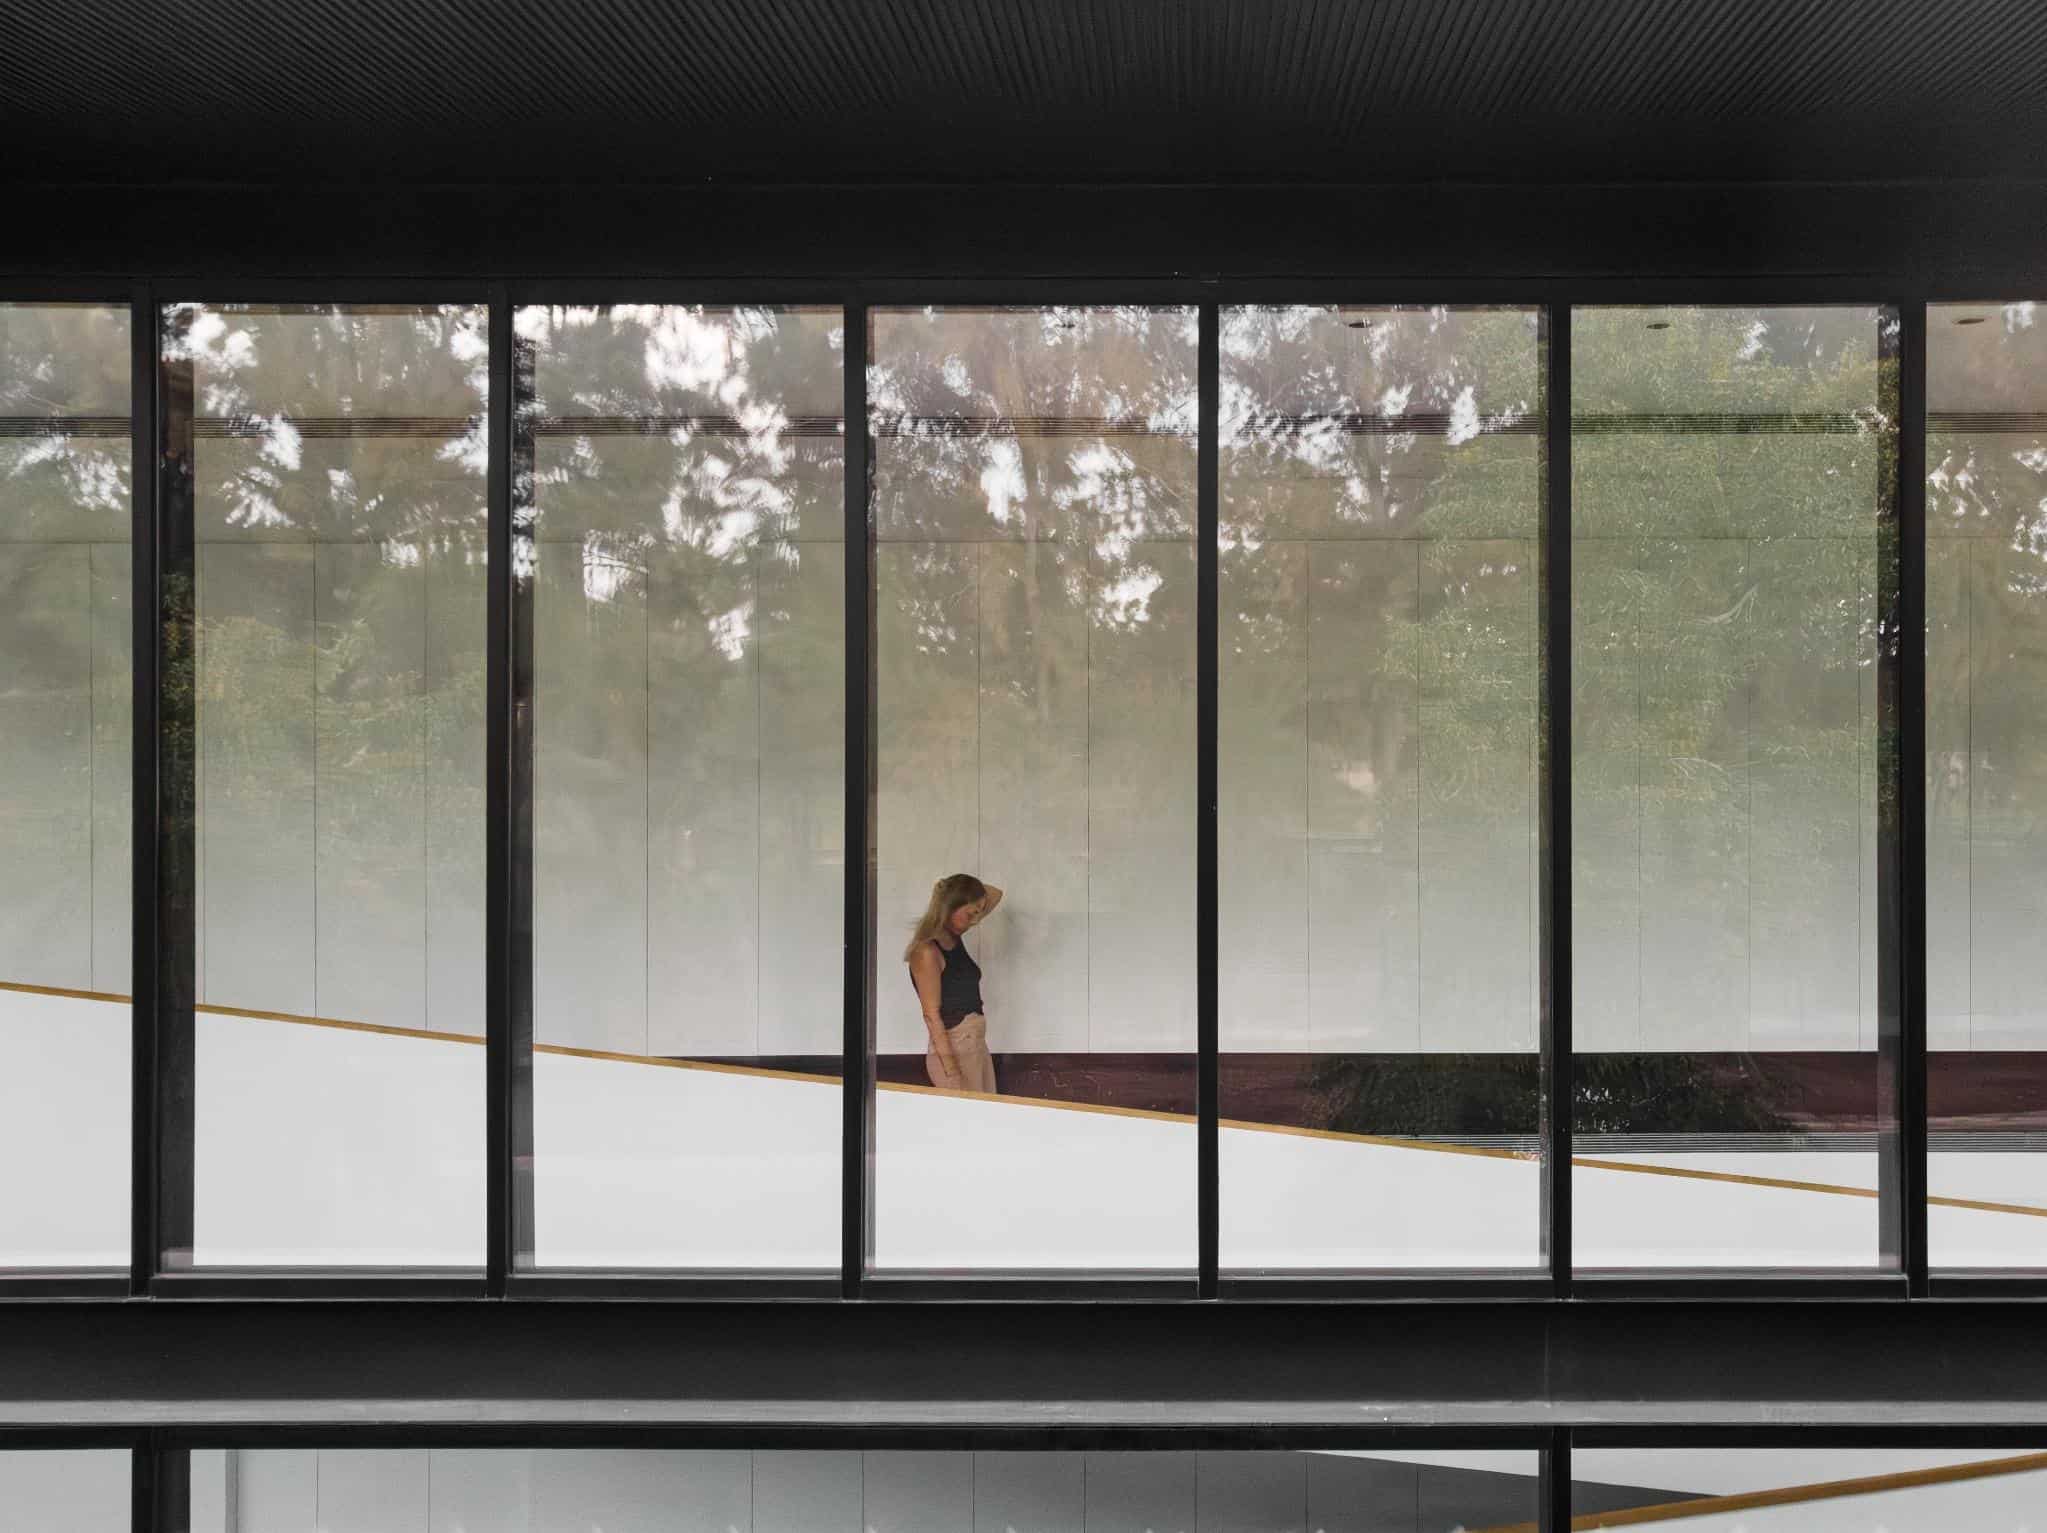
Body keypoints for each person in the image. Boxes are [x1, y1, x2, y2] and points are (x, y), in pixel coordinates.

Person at [905, 873, 1004, 1093]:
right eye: (970, 914)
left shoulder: (952, 935)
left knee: (986, 1119)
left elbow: (996, 895)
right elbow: (931, 1016)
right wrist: (952, 1072)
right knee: (970, 1121)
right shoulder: (927, 951)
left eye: (978, 914)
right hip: (954, 1049)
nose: (976, 920)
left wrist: (947, 889)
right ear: (950, 907)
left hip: (975, 1045)